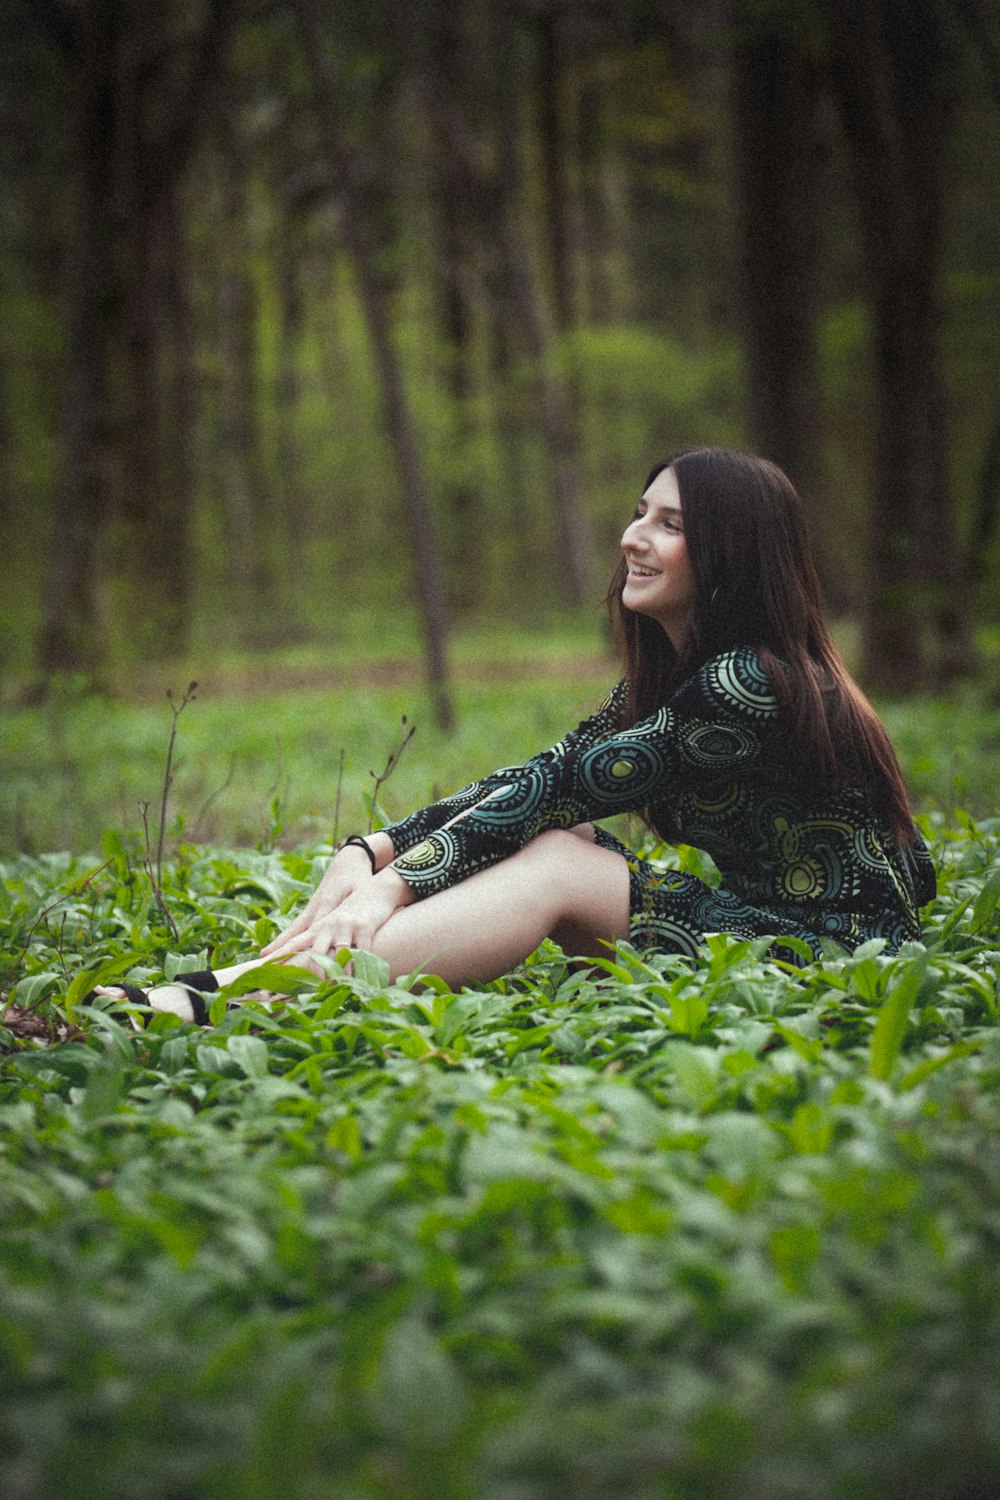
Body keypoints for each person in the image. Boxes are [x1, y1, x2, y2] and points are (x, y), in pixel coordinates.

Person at [94, 447, 935, 1022]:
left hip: (836, 961)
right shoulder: (677, 681)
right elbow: (552, 775)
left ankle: (222, 998)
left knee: (561, 853)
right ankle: (236, 989)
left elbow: (558, 793)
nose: (632, 538)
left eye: (669, 525)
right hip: (758, 930)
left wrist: (395, 885)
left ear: (734, 555)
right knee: (559, 829)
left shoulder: (743, 684)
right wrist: (375, 847)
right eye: (640, 513)